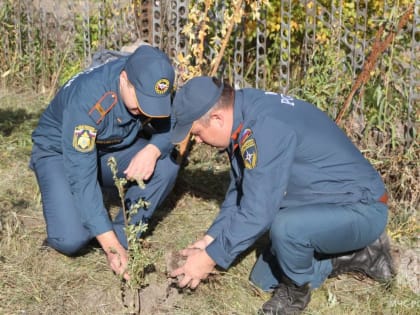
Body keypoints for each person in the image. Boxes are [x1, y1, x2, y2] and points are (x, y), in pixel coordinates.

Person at [169, 76, 395, 314]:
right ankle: (359, 254)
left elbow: (258, 212)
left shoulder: (264, 128)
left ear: (216, 118)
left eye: (197, 132)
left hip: (363, 208)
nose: (196, 140)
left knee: (285, 229)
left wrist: (209, 259)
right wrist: (210, 240)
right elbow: (242, 190)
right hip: (330, 204)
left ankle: (295, 296)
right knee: (263, 279)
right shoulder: (244, 113)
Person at [30, 45, 180, 279]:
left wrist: (152, 149)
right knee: (71, 239)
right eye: (141, 101)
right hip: (59, 153)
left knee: (166, 163)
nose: (145, 110)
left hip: (109, 150)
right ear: (124, 79)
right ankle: (102, 235)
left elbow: (171, 126)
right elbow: (81, 176)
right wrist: (111, 249)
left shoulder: (152, 82)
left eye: (152, 103)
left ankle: (122, 235)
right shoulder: (88, 101)